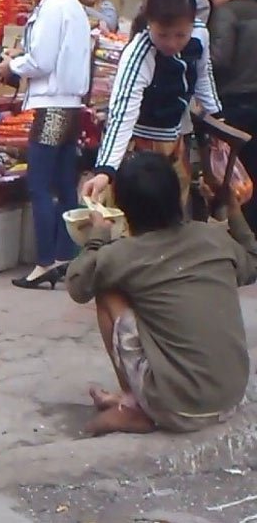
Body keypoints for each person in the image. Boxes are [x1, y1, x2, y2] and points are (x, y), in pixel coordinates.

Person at [67, 151, 255, 436]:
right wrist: (234, 210)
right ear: (177, 198)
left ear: (122, 208)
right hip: (230, 396)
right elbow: (252, 262)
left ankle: (134, 405)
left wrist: (97, 237)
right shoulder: (214, 238)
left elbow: (78, 285)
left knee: (107, 292)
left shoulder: (123, 255)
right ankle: (147, 396)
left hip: (179, 408)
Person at [0, 0, 91, 289]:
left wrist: (12, 64)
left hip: (52, 105)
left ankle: (45, 261)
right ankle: (64, 254)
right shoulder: (74, 6)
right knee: (64, 184)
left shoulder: (52, 7)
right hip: (71, 104)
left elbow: (41, 61)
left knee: (40, 184)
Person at [82, 0, 221, 204]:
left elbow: (203, 76)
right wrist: (105, 170)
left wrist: (217, 119)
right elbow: (122, 115)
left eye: (180, 35)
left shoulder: (200, 35)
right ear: (149, 24)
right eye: (162, 34)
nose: (172, 43)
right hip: (139, 148)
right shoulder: (139, 54)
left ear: (192, 24)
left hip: (175, 142)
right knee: (139, 212)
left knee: (175, 211)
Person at [209, 0, 257, 235]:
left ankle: (241, 230)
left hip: (236, 102)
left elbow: (220, 58)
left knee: (236, 173)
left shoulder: (226, 12)